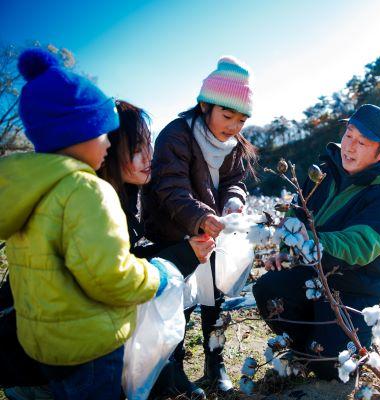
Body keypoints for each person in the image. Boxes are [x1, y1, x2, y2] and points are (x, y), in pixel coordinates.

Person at [0, 48, 170, 400]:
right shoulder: (87, 190)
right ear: (79, 133)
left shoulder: (27, 192)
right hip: (89, 348)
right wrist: (158, 276)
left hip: (43, 347)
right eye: (103, 133)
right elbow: (108, 276)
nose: (110, 141)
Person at [252, 104, 380, 380]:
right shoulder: (323, 171)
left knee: (332, 366)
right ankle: (303, 347)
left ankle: (322, 349)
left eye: (362, 142)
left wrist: (312, 242)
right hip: (310, 275)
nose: (350, 146)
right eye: (349, 135)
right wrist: (287, 251)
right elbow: (297, 212)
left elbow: (361, 244)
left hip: (355, 290)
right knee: (268, 288)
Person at [142, 56, 258, 392]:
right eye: (227, 115)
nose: (234, 126)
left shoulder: (234, 145)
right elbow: (170, 186)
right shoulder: (176, 135)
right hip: (176, 232)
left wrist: (234, 201)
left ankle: (215, 363)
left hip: (215, 231)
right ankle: (173, 369)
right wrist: (200, 218)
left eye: (242, 119)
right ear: (205, 104)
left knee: (215, 298)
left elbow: (235, 180)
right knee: (181, 302)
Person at [97, 100, 213, 398]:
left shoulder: (134, 191)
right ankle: (160, 377)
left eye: (149, 144)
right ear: (106, 150)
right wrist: (183, 255)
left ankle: (167, 370)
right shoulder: (97, 202)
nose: (150, 156)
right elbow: (116, 275)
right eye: (138, 149)